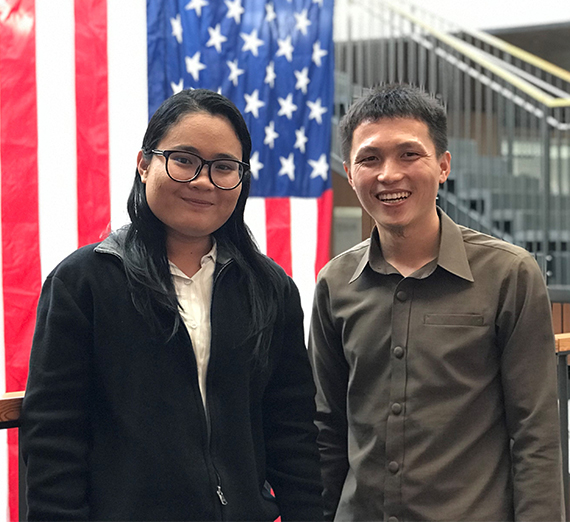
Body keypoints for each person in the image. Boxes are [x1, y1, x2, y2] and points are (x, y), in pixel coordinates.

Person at [20, 89, 323, 522]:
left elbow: (291, 432)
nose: (203, 181)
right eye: (183, 160)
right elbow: (53, 439)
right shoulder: (83, 282)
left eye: (224, 167)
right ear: (144, 164)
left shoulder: (271, 289)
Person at [309, 83, 564, 521]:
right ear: (350, 173)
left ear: (443, 165)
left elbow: (535, 434)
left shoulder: (509, 274)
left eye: (409, 154)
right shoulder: (335, 283)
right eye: (370, 158)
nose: (389, 174)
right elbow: (327, 429)